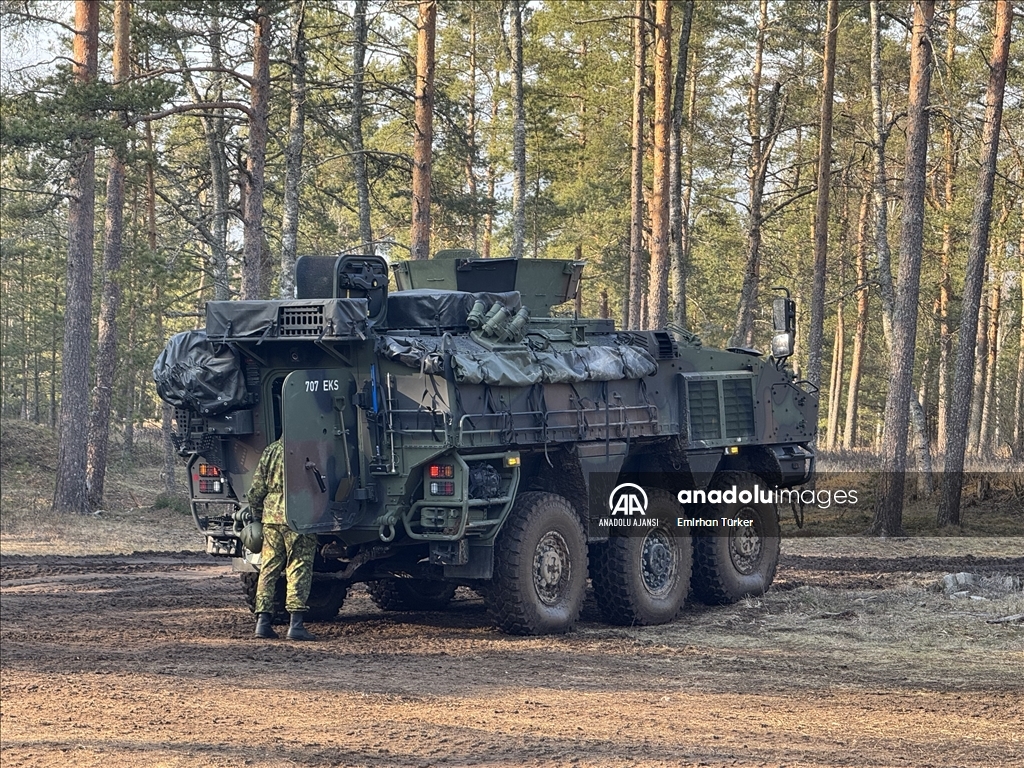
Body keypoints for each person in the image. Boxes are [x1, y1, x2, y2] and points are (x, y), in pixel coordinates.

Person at [248, 439, 318, 641]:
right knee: (298, 566)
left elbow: (256, 490)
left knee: (268, 568)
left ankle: (262, 623)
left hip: (271, 516)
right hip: (300, 514)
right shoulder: (306, 448)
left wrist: (258, 513)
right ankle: (295, 624)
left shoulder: (271, 450)